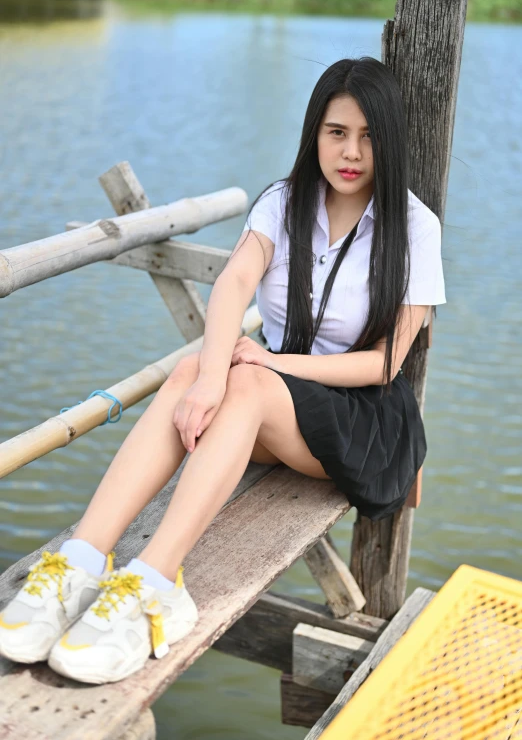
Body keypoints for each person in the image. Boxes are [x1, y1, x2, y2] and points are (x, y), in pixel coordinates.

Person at [0, 56, 446, 684]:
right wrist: (211, 376)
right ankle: (80, 561)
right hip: (267, 399)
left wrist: (266, 360)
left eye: (369, 136)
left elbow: (383, 364)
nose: (351, 151)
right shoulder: (285, 201)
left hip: (361, 420)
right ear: (314, 133)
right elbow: (236, 281)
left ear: (390, 140)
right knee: (191, 375)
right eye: (336, 132)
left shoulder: (414, 226)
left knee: (247, 375)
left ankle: (156, 581)